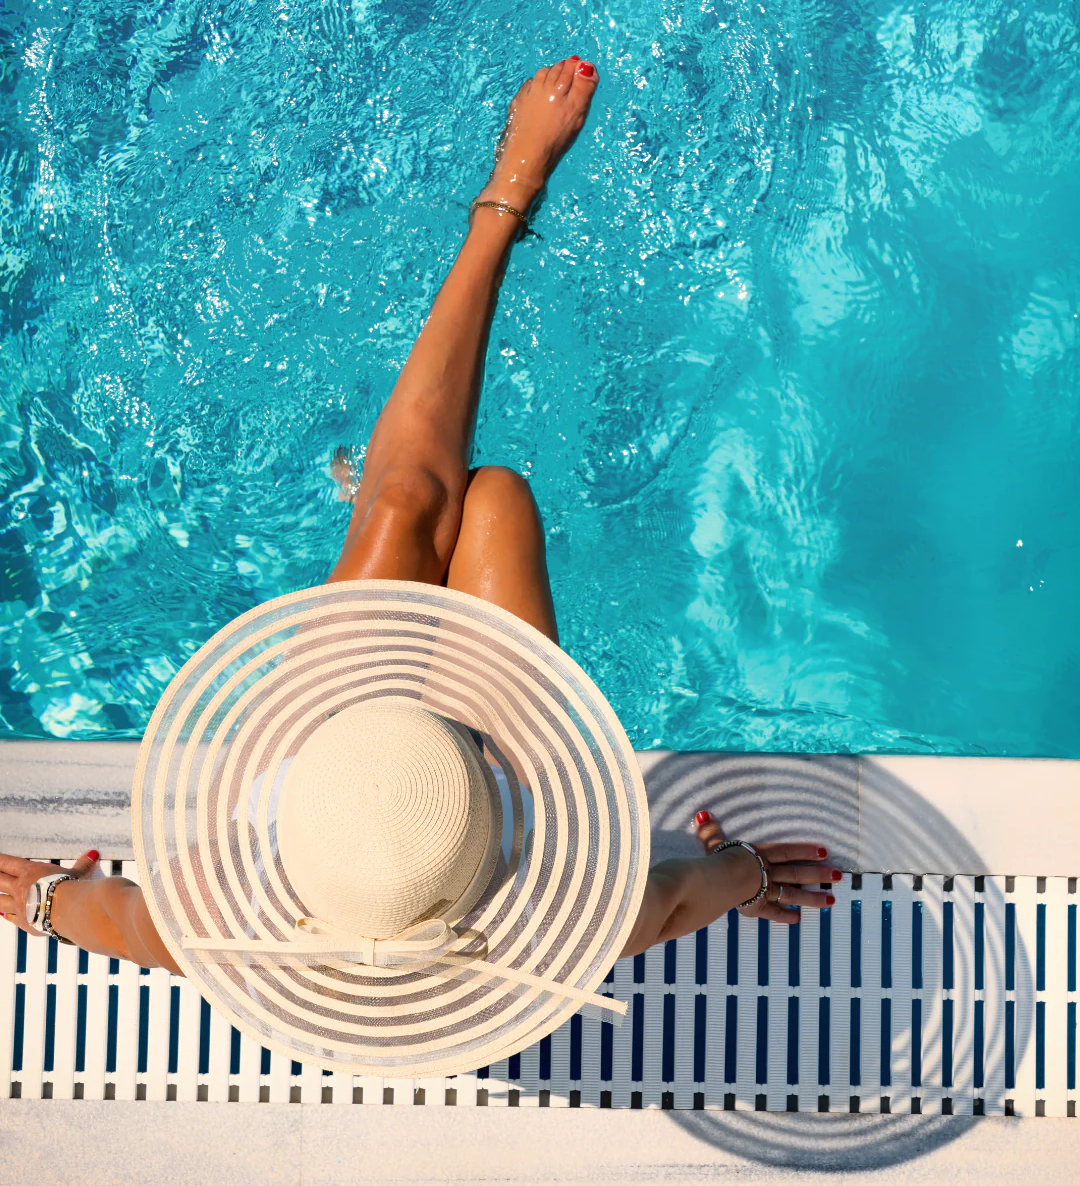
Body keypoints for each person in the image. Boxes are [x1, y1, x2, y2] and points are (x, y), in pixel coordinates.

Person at [0, 56, 839, 974]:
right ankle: (507, 201)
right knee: (494, 498)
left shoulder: (221, 920)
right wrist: (746, 873)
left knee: (402, 505)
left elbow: (122, 921)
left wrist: (48, 898)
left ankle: (394, 497)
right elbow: (679, 895)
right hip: (492, 820)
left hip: (333, 792)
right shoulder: (561, 923)